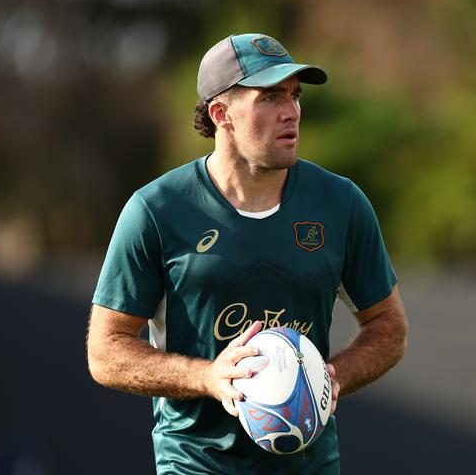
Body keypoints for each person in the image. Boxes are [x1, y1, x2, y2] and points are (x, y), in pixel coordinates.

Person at [87, 33, 408, 474]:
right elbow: (105, 352)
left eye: (295, 96)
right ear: (222, 114)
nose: (291, 111)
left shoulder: (341, 204)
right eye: (270, 97)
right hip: (196, 464)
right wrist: (207, 378)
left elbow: (388, 327)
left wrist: (332, 378)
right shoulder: (156, 210)